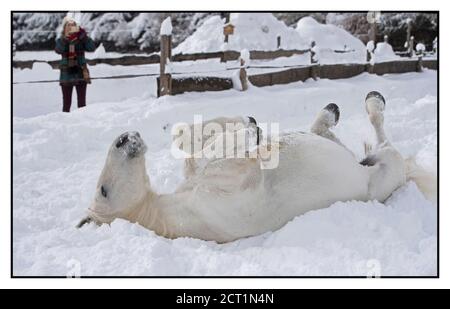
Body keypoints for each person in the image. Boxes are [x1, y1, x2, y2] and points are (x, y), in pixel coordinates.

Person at [55, 16, 96, 112]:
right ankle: (65, 122)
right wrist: (65, 39)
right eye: (68, 25)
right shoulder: (61, 40)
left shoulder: (81, 39)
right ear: (64, 28)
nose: (70, 27)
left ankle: (82, 121)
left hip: (81, 72)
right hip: (66, 73)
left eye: (73, 25)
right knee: (66, 104)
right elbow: (58, 50)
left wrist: (84, 37)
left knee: (82, 103)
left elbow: (92, 48)